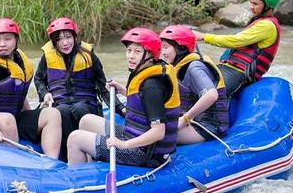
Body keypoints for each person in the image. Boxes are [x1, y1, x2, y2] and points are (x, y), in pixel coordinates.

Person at [67, 28, 180, 167]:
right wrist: (123, 91)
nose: (130, 56)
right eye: (129, 50)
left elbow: (158, 132)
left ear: (150, 54)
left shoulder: (152, 86)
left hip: (145, 153)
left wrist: (124, 144)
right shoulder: (149, 74)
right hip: (134, 136)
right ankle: (89, 170)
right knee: (86, 121)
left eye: (137, 52)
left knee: (74, 139)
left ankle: (79, 182)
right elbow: (146, 101)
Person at [0, 18, 62, 159]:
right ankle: (16, 162)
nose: (2, 44)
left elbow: (18, 94)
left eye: (7, 39)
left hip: (11, 117)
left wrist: (33, 118)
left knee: (52, 113)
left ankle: (52, 162)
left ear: (16, 40)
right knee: (6, 119)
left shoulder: (18, 60)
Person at [34, 17, 121, 161]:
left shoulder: (89, 55)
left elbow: (103, 87)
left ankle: (91, 153)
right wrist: (45, 93)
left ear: (75, 36)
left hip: (87, 105)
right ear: (53, 41)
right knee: (61, 111)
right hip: (61, 104)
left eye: (68, 37)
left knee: (79, 108)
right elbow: (38, 80)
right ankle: (66, 157)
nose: (65, 43)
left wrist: (120, 108)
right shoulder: (47, 57)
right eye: (59, 39)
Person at [193, 0, 282, 97]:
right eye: (250, 2)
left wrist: (204, 36)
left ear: (268, 6)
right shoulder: (260, 21)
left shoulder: (267, 26)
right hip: (228, 67)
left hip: (239, 73)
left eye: (255, 4)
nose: (251, 7)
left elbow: (235, 41)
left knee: (209, 95)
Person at [159, 25, 229, 144]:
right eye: (162, 48)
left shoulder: (194, 67)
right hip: (195, 121)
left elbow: (212, 95)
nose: (163, 52)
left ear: (180, 48)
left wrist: (185, 119)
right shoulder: (178, 67)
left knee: (155, 134)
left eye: (166, 47)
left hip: (208, 127)